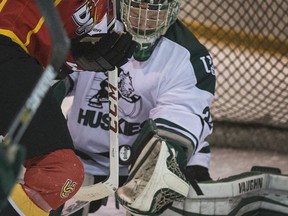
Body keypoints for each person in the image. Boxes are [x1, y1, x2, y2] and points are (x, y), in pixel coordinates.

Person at [52, 0, 216, 215]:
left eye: (154, 13)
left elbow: (182, 114)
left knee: (162, 185)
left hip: (144, 161)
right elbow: (51, 77)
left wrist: (166, 158)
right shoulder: (91, 27)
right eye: (138, 9)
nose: (144, 21)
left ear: (172, 10)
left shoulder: (188, 55)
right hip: (82, 155)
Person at [0, 0, 136, 215]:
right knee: (57, 173)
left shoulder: (104, 8)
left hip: (16, 62)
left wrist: (75, 58)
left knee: (57, 176)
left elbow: (44, 48)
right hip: (6, 52)